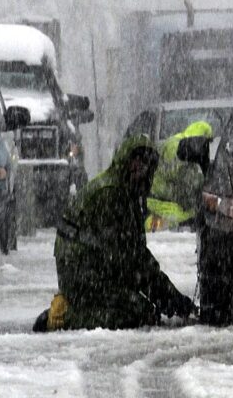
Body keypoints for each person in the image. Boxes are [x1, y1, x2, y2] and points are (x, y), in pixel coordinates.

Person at [33, 135, 195, 332]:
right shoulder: (112, 195)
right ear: (126, 162)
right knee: (137, 313)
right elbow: (129, 260)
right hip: (81, 271)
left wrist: (170, 298)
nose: (142, 170)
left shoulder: (126, 192)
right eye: (137, 162)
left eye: (147, 166)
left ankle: (80, 305)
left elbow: (134, 254)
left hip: (94, 265)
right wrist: (169, 299)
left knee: (141, 307)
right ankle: (63, 316)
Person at [146, 121, 213, 231]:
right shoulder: (176, 148)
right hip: (160, 198)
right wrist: (202, 183)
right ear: (198, 142)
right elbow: (184, 178)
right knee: (185, 218)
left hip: (166, 195)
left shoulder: (183, 146)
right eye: (205, 144)